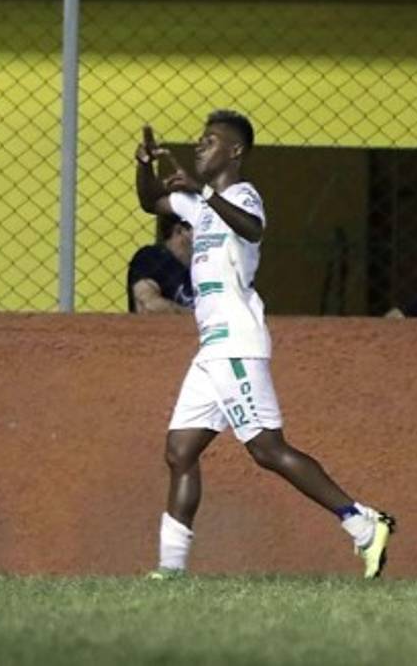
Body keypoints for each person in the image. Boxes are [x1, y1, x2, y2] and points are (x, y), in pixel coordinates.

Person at [134, 110, 395, 580]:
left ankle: (362, 523)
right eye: (199, 140)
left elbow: (253, 229)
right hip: (210, 348)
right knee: (180, 451)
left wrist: (203, 190)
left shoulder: (241, 194)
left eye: (210, 141)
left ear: (234, 151)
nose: (200, 146)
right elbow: (151, 201)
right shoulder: (198, 206)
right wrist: (144, 164)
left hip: (236, 342)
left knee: (267, 449)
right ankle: (169, 571)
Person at [127, 214, 195, 314]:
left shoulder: (209, 265)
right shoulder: (151, 258)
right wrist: (201, 318)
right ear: (179, 230)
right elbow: (148, 306)